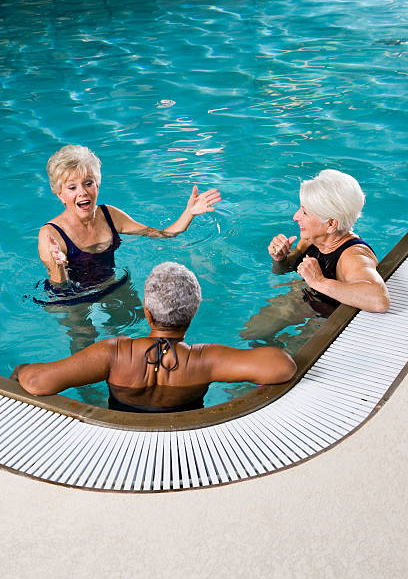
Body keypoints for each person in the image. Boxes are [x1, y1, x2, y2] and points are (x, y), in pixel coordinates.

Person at [12, 262, 297, 412]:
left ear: (147, 313)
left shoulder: (114, 353)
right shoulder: (206, 360)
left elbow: (38, 383)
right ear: (193, 312)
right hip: (183, 434)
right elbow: (282, 366)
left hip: (125, 438)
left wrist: (21, 370)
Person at [241, 169, 390, 350]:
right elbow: (282, 270)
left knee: (292, 357)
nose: (295, 216)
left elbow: (379, 301)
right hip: (306, 298)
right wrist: (279, 259)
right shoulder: (311, 237)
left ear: (331, 224)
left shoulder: (353, 256)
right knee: (251, 332)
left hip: (330, 315)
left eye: (304, 212)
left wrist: (318, 281)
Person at [39, 144, 221, 291]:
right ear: (60, 194)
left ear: (97, 185)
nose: (82, 192)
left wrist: (189, 213)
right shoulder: (51, 234)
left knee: (136, 327)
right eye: (72, 188)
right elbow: (60, 287)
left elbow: (162, 234)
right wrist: (58, 266)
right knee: (84, 336)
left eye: (88, 184)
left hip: (112, 286)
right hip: (74, 298)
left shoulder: (109, 215)